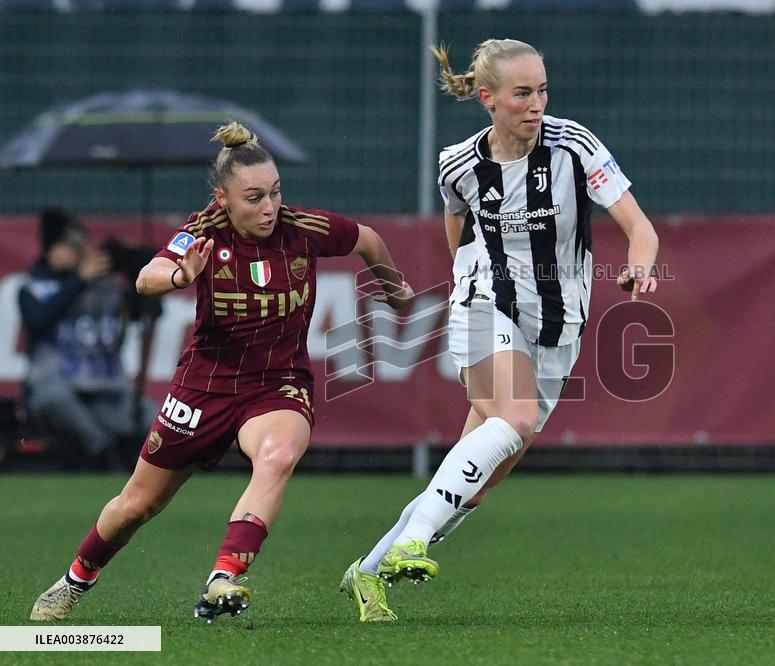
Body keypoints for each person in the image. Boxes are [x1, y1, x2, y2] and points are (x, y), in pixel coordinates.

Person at [30, 121, 414, 623]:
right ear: (223, 199)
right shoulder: (204, 231)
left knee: (276, 457)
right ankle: (75, 580)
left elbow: (367, 238)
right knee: (136, 505)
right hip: (204, 385)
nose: (269, 207)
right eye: (253, 197)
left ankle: (224, 577)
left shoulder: (303, 230)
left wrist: (394, 288)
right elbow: (147, 278)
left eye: (275, 193)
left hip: (279, 383)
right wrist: (178, 275)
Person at [340, 39, 659, 622]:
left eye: (542, 91)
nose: (535, 104)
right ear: (487, 99)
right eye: (522, 94)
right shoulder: (459, 163)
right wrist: (471, 287)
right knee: (513, 418)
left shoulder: (575, 146)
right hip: (486, 301)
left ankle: (366, 572)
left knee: (476, 482)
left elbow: (640, 228)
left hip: (559, 327)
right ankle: (412, 546)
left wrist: (639, 263)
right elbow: (456, 229)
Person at [18, 209, 139, 470]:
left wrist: (135, 264)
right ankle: (103, 454)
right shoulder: (33, 288)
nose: (80, 251)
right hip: (58, 386)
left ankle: (115, 452)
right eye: (70, 246)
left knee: (149, 418)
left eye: (82, 244)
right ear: (53, 250)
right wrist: (80, 280)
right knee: (53, 401)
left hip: (106, 391)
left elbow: (142, 310)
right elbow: (39, 319)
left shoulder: (108, 287)